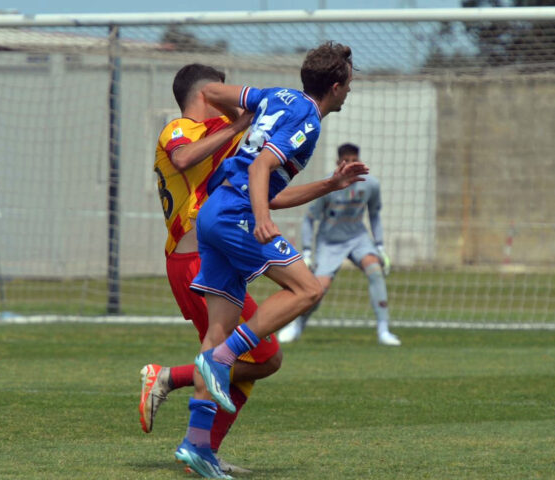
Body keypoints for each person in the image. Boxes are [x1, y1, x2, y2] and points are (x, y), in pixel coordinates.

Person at [175, 42, 368, 478]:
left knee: (217, 328)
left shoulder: (276, 96)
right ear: (335, 87)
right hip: (239, 214)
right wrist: (261, 219)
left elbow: (212, 94)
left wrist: (329, 185)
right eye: (349, 86)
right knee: (308, 288)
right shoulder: (306, 119)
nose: (349, 93)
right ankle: (223, 359)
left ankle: (196, 446)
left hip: (213, 211)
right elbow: (262, 168)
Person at [140, 64, 283, 475]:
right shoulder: (178, 129)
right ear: (207, 94)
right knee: (260, 356)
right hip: (193, 262)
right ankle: (167, 378)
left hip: (212, 258)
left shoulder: (224, 131)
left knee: (251, 363)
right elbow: (184, 158)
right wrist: (237, 123)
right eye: (222, 90)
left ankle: (203, 451)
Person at [276, 143, 400, 346]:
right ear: (338, 163)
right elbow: (309, 219)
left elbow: (374, 215)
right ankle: (297, 325)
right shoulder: (328, 185)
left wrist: (380, 247)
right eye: (346, 161)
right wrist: (307, 251)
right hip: (330, 242)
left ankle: (383, 330)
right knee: (318, 288)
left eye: (354, 160)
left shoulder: (370, 184)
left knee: (375, 270)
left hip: (358, 238)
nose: (351, 165)